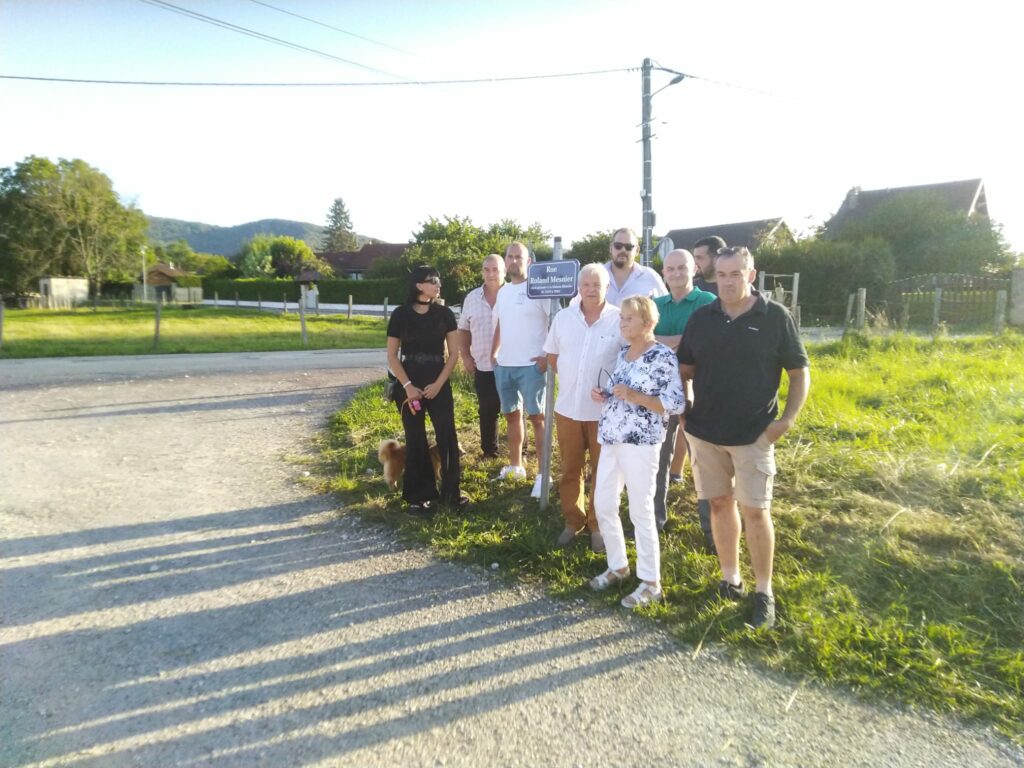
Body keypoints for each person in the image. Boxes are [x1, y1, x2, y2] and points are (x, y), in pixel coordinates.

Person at [677, 246, 810, 629]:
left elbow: (799, 373)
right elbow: (684, 369)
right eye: (722, 274)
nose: (729, 281)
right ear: (713, 276)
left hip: (754, 434)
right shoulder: (702, 318)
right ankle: (730, 579)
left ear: (751, 275)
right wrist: (685, 412)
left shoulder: (774, 317)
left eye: (737, 273)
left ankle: (764, 592)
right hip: (705, 433)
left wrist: (784, 422)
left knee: (755, 510)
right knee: (719, 505)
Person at [588, 295, 685, 609]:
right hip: (612, 438)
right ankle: (618, 565)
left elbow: (674, 403)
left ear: (648, 323)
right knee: (603, 504)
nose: (623, 322)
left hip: (641, 443)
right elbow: (621, 390)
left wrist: (634, 395)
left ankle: (651, 581)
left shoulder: (662, 356)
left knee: (640, 511)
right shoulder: (624, 352)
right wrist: (605, 395)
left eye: (629, 318)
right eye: (623, 318)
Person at [543, 263, 623, 553]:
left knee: (602, 473)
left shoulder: (618, 319)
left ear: (607, 288)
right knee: (570, 469)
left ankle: (597, 525)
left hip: (604, 414)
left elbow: (626, 361)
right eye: (586, 284)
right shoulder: (563, 318)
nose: (591, 289)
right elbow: (552, 356)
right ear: (579, 287)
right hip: (567, 409)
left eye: (597, 285)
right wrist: (574, 379)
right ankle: (572, 521)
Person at [385, 265, 467, 514]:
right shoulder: (400, 315)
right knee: (415, 439)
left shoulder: (444, 314)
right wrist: (408, 387)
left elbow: (454, 354)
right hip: (409, 386)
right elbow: (392, 356)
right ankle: (417, 497)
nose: (438, 284)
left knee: (447, 437)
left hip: (438, 383)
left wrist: (439, 384)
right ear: (419, 285)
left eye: (438, 280)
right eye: (433, 280)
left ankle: (451, 494)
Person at [651, 249, 716, 538]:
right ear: (663, 273)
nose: (676, 273)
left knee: (702, 460)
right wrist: (683, 339)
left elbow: (706, 341)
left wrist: (664, 341)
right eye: (670, 268)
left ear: (694, 270)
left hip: (698, 392)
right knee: (658, 458)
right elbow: (644, 340)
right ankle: (653, 521)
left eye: (682, 268)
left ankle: (712, 529)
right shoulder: (656, 304)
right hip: (660, 393)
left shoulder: (708, 302)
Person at [491, 241, 550, 481]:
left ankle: (542, 473)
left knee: (538, 418)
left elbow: (556, 321)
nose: (513, 261)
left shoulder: (540, 289)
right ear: (505, 261)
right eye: (510, 256)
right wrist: (493, 354)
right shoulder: (503, 291)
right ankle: (516, 466)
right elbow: (499, 324)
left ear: (529, 262)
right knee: (512, 415)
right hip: (505, 365)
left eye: (519, 257)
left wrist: (546, 357)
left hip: (532, 365)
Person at [458, 254, 505, 458]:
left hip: (512, 364)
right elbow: (463, 329)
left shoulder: (514, 295)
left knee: (515, 411)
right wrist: (466, 357)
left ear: (504, 271)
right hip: (483, 364)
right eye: (487, 269)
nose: (491, 274)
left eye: (495, 269)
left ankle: (519, 453)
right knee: (487, 410)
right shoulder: (472, 297)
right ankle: (489, 452)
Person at [603, 227, 667, 306]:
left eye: (629, 247)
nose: (623, 250)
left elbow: (665, 309)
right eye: (618, 246)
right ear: (610, 248)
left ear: (637, 250)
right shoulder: (594, 276)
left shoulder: (651, 277)